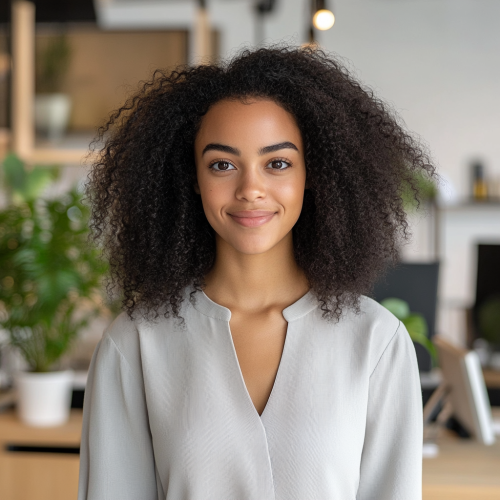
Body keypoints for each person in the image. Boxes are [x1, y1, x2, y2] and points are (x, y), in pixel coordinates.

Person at [78, 46, 432, 500]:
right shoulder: (136, 343)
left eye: (277, 163)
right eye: (222, 165)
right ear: (191, 179)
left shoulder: (375, 342)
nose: (250, 189)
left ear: (313, 175)